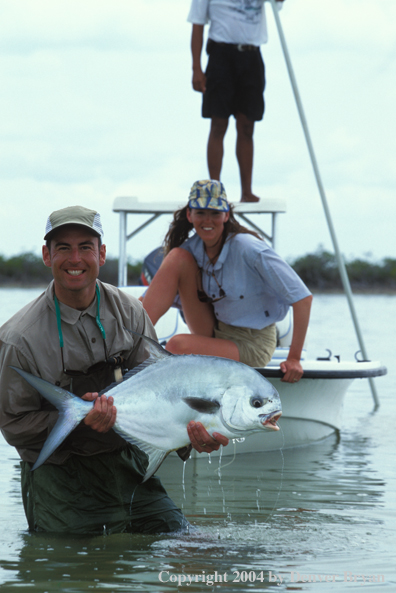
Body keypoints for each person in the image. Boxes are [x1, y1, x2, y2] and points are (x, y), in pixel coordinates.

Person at [0, 205, 228, 535]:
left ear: (102, 254)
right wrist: (81, 422)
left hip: (127, 467)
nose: (75, 259)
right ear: (46, 256)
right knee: (69, 575)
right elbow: (13, 426)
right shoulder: (18, 338)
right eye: (63, 248)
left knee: (189, 544)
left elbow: (163, 393)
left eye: (85, 248)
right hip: (60, 477)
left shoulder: (131, 312)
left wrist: (189, 438)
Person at [142, 180, 312, 383]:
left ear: (226, 215)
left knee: (176, 345)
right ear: (190, 215)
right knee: (177, 256)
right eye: (200, 213)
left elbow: (303, 299)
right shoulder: (192, 248)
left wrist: (293, 358)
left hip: (252, 342)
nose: (208, 220)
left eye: (215, 213)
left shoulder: (250, 249)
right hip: (216, 330)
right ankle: (127, 346)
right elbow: (157, 295)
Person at [187, 0, 285, 203]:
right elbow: (197, 24)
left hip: (251, 55)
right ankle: (215, 191)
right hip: (221, 54)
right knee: (218, 124)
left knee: (247, 125)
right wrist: (196, 67)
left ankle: (247, 191)